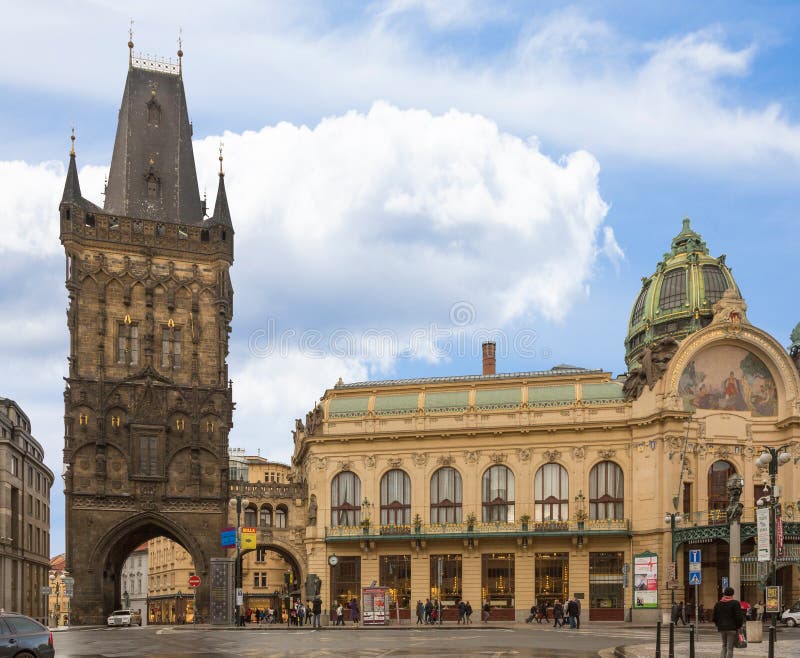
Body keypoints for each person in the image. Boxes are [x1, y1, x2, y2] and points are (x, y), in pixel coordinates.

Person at [712, 586, 745, 658]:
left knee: (724, 646)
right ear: (732, 594)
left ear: (724, 594)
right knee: (730, 648)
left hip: (722, 628)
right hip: (732, 628)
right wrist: (738, 626)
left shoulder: (718, 604)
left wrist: (718, 625)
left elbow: (714, 617)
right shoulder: (735, 603)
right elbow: (739, 617)